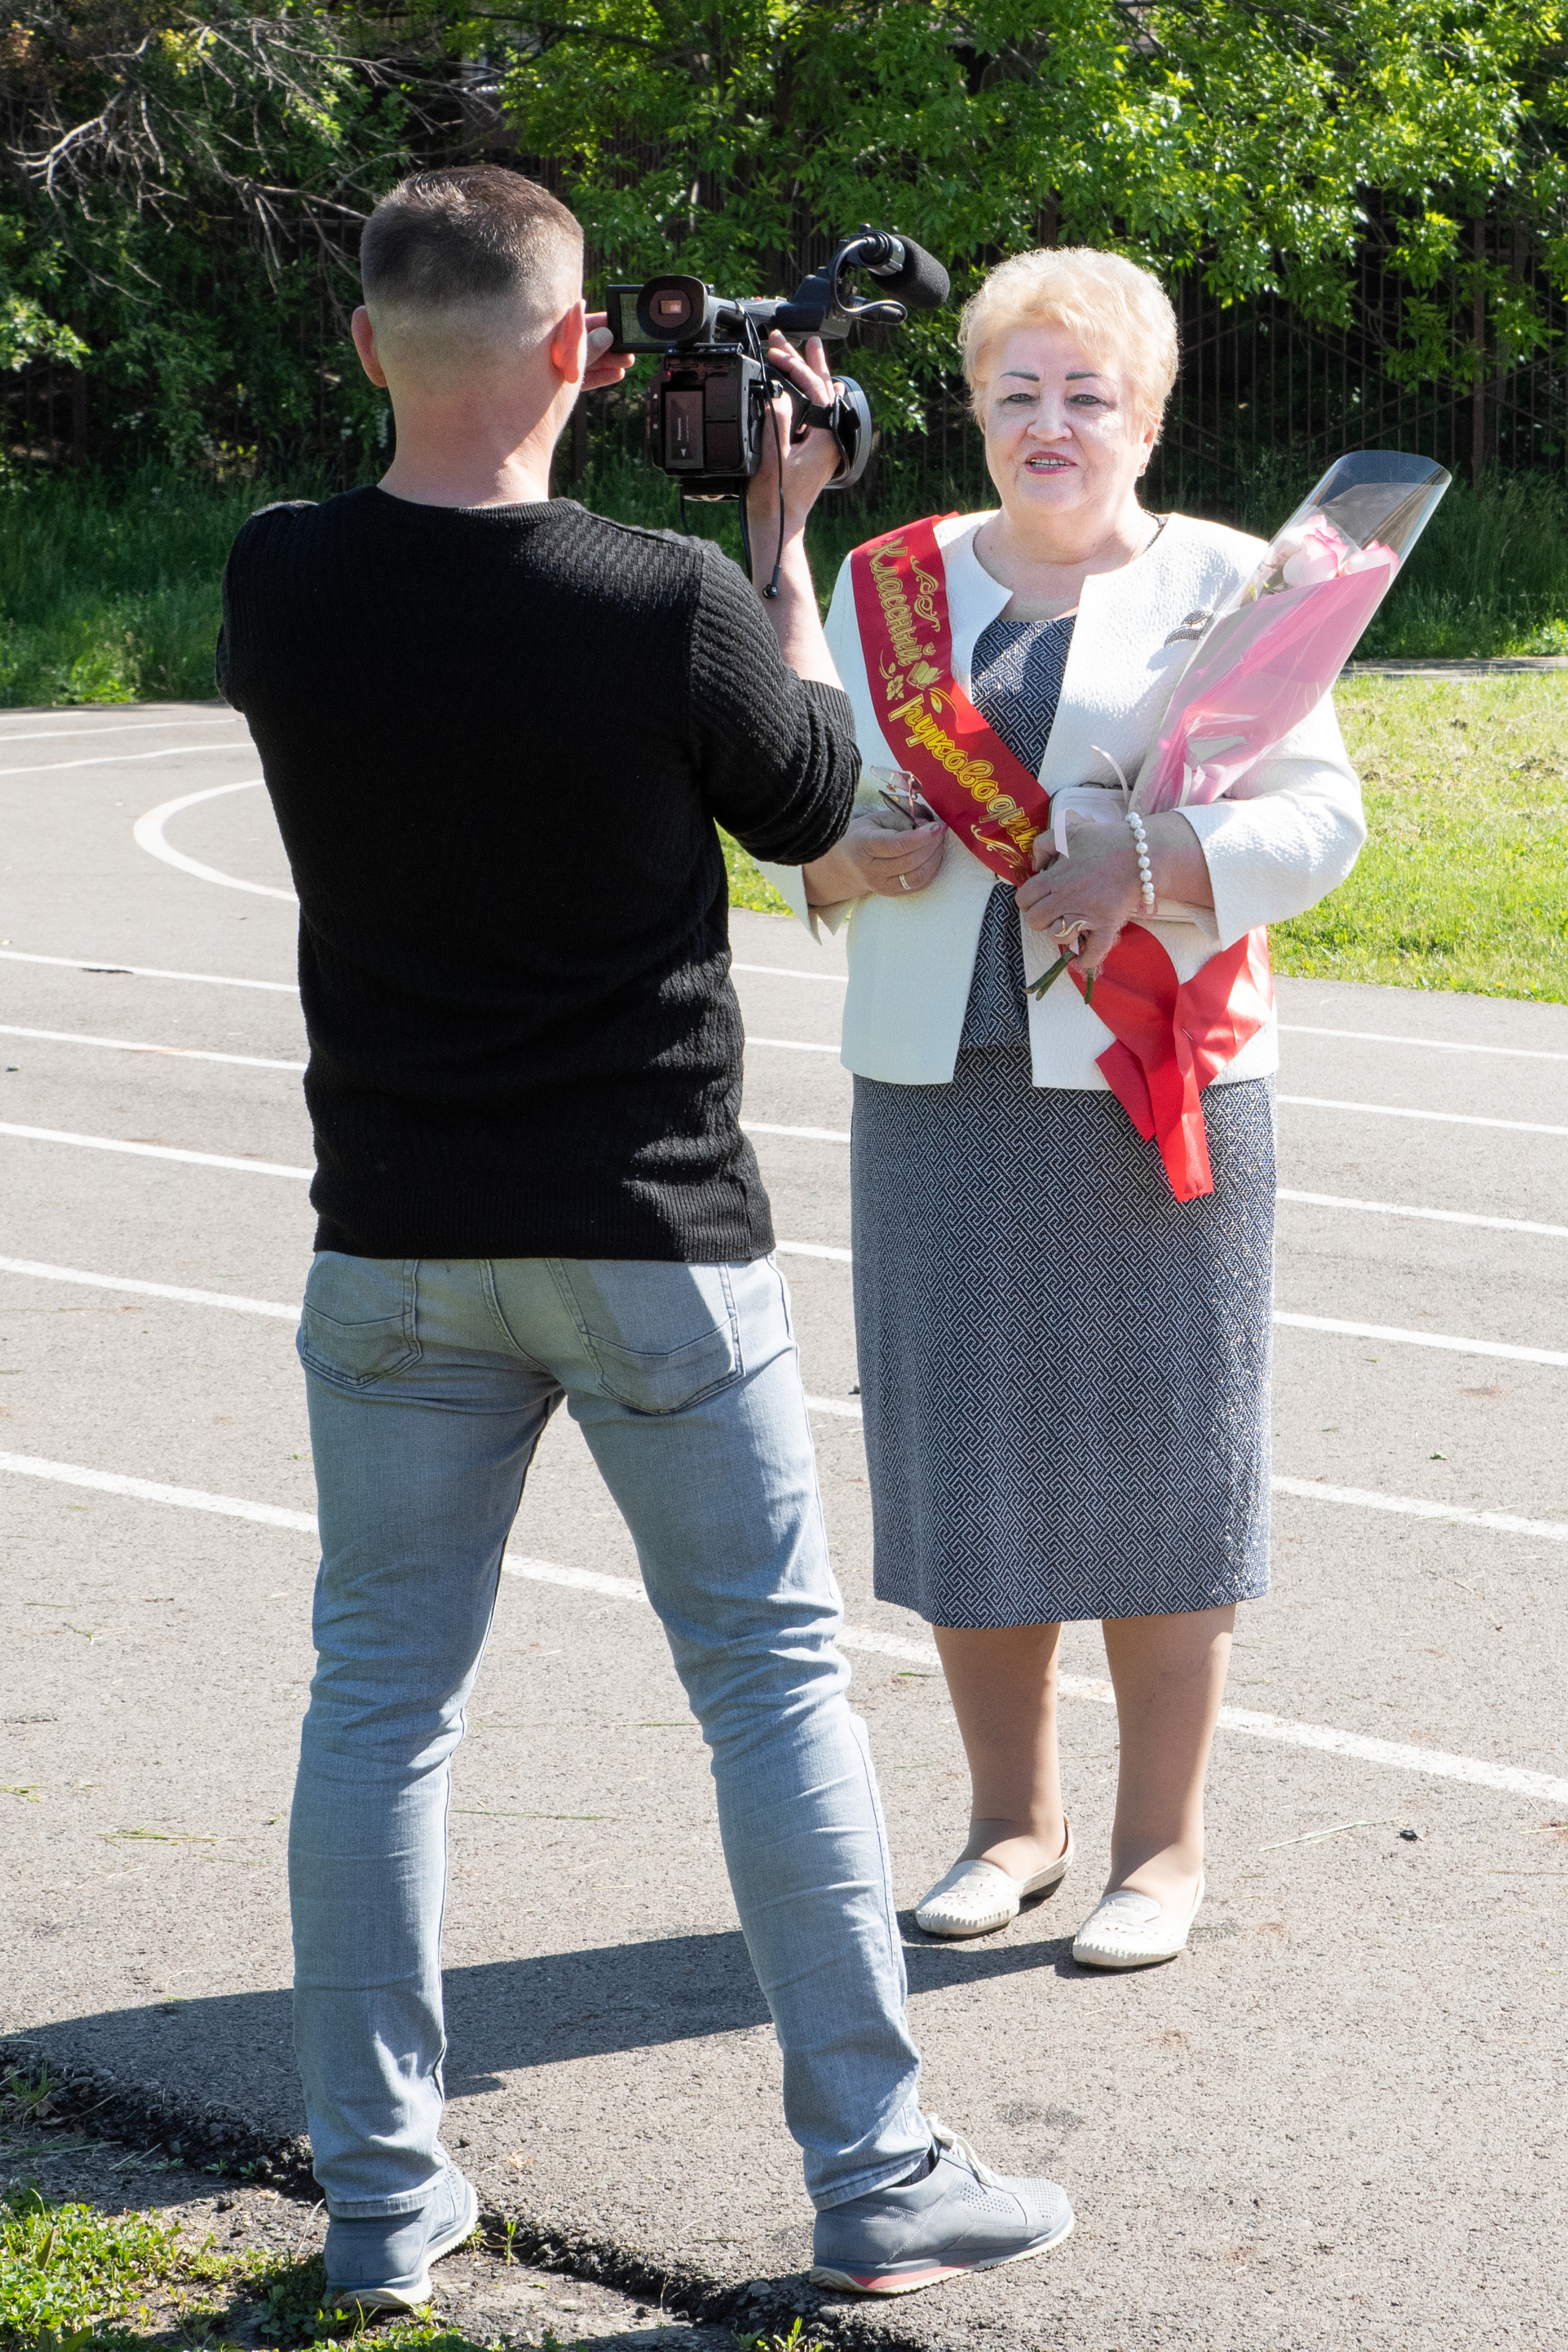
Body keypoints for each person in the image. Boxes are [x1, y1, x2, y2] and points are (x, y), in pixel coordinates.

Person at [216, 166, 1073, 2312]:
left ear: (362, 348)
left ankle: (383, 2203)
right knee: (774, 1689)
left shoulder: (276, 579)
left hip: (394, 1234)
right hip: (649, 1229)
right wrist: (779, 546)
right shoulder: (660, 596)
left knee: (377, 1705)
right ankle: (877, 2180)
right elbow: (815, 798)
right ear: (587, 356)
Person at [764, 246, 1364, 1970]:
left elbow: (1323, 823)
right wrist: (824, 859)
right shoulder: (893, 581)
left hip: (1151, 1083)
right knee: (971, 1467)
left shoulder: (1241, 584)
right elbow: (810, 782)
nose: (1051, 423)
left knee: (1169, 1462)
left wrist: (1159, 857)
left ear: (1150, 414)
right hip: (937, 1088)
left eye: (1087, 393)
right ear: (971, 407)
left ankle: (1158, 1851)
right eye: (1017, 391)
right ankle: (1008, 1827)